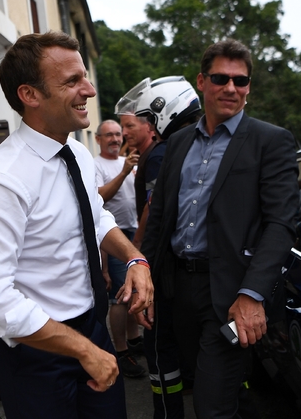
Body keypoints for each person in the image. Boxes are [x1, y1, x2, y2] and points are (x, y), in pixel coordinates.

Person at [0, 31, 154, 419]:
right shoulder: (1, 179)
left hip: (92, 328)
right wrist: (83, 350)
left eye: (84, 77)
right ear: (29, 95)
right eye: (72, 81)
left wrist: (135, 260)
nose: (89, 90)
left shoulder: (79, 154)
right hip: (37, 354)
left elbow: (96, 217)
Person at [139, 39, 299, 418]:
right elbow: (160, 219)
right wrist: (145, 277)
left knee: (211, 404)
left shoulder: (271, 141)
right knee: (215, 391)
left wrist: (252, 294)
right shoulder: (177, 144)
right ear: (201, 81)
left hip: (230, 294)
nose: (231, 88)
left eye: (240, 81)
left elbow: (280, 224)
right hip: (177, 290)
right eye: (221, 78)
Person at [116, 76, 202, 418]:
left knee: (159, 349)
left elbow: (154, 209)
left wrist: (137, 256)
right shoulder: (196, 145)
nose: (145, 127)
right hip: (189, 272)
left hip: (165, 267)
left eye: (148, 119)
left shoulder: (162, 152)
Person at [93, 120, 146, 379]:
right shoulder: (96, 164)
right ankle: (121, 351)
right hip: (112, 236)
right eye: (109, 135)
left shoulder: (127, 160)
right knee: (119, 296)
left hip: (133, 233)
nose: (115, 139)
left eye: (117, 134)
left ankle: (135, 340)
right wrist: (124, 172)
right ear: (98, 139)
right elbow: (99, 198)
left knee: (133, 291)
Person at [116, 93, 157, 250]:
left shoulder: (154, 155)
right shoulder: (146, 155)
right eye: (123, 127)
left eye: (130, 126)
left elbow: (151, 203)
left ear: (148, 126)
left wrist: (137, 242)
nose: (124, 133)